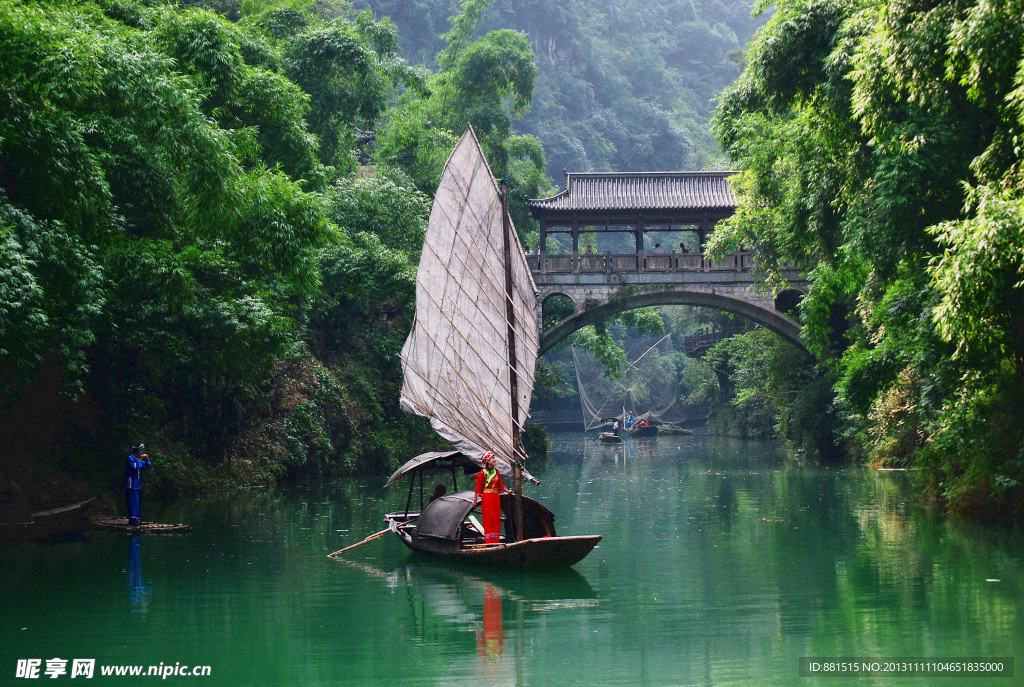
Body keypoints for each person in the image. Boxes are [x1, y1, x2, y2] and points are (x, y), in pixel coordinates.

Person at [473, 451, 510, 545]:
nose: (495, 460)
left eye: (494, 458)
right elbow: (478, 487)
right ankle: (489, 541)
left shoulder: (496, 472)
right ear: (487, 461)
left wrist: (507, 491)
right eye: (493, 458)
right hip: (487, 498)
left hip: (495, 497)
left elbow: (500, 485)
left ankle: (496, 541)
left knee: (496, 517)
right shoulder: (482, 473)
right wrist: (475, 500)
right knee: (489, 518)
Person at [123, 444, 152, 524]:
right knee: (132, 501)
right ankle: (132, 519)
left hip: (137, 484)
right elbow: (135, 466)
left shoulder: (138, 459)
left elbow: (147, 467)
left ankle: (136, 518)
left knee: (136, 501)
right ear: (138, 451)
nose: (142, 452)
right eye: (141, 450)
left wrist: (146, 460)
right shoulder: (131, 458)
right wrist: (140, 459)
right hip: (131, 484)